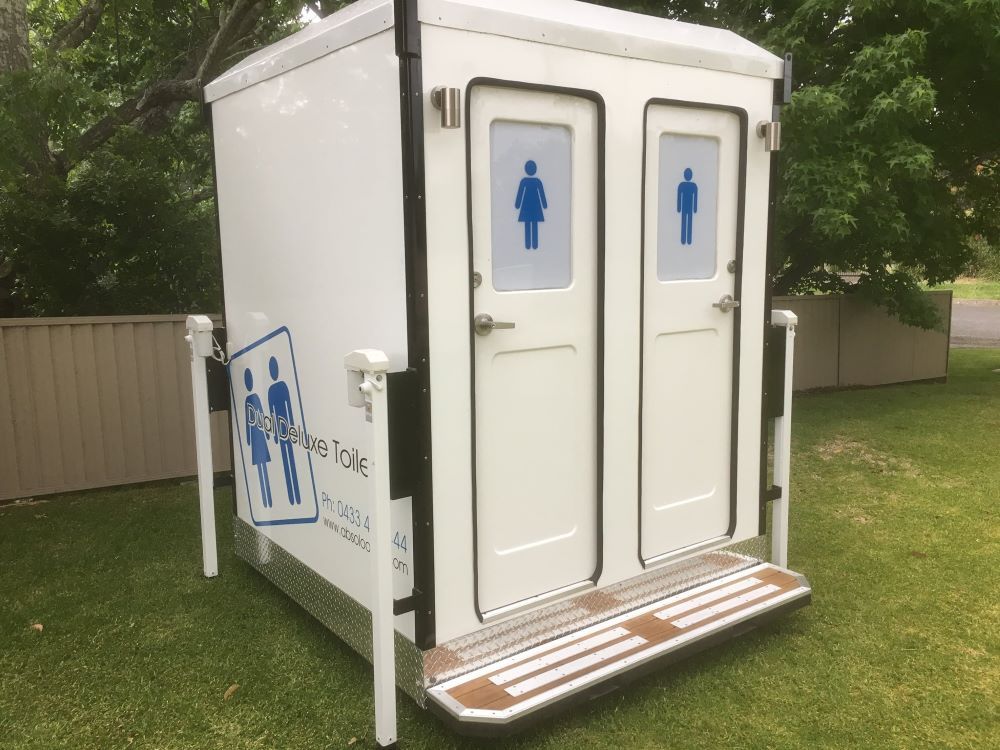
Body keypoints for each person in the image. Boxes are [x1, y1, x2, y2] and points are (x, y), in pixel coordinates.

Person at [267, 356, 301, 506]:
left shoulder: (277, 388)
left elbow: (281, 411)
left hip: (284, 430)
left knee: (289, 460)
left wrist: (290, 429)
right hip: (284, 430)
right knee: (288, 460)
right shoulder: (278, 387)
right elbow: (273, 413)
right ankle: (294, 497)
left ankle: (295, 497)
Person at [244, 368, 273, 509]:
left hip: (259, 438)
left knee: (264, 468)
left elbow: (261, 417)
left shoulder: (253, 398)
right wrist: (250, 439)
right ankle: (266, 502)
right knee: (262, 468)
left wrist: (267, 433)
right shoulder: (252, 398)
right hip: (259, 438)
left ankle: (268, 499)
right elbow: (248, 421)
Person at [515, 160, 547, 250]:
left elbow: (520, 194)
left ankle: (529, 245)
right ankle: (533, 245)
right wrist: (544, 205)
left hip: (527, 206)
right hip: (534, 206)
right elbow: (541, 194)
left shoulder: (525, 181)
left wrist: (517, 204)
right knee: (533, 225)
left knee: (528, 225)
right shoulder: (536, 181)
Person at [676, 167, 698, 245]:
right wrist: (678, 208)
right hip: (685, 208)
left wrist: (695, 208)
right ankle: (684, 239)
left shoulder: (693, 186)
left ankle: (688, 240)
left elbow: (695, 197)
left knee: (688, 222)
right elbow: (679, 197)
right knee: (684, 222)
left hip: (688, 208)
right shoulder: (682, 185)